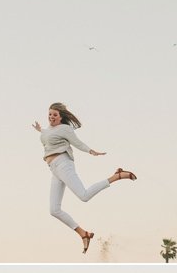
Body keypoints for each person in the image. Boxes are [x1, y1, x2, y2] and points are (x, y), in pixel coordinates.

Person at [33, 102, 136, 252]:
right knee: (54, 210)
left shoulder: (65, 129)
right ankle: (84, 234)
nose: (51, 117)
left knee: (84, 196)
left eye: (54, 114)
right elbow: (48, 137)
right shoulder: (47, 130)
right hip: (54, 169)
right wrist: (40, 130)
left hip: (63, 164)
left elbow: (77, 143)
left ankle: (116, 176)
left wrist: (90, 151)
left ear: (61, 117)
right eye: (49, 114)